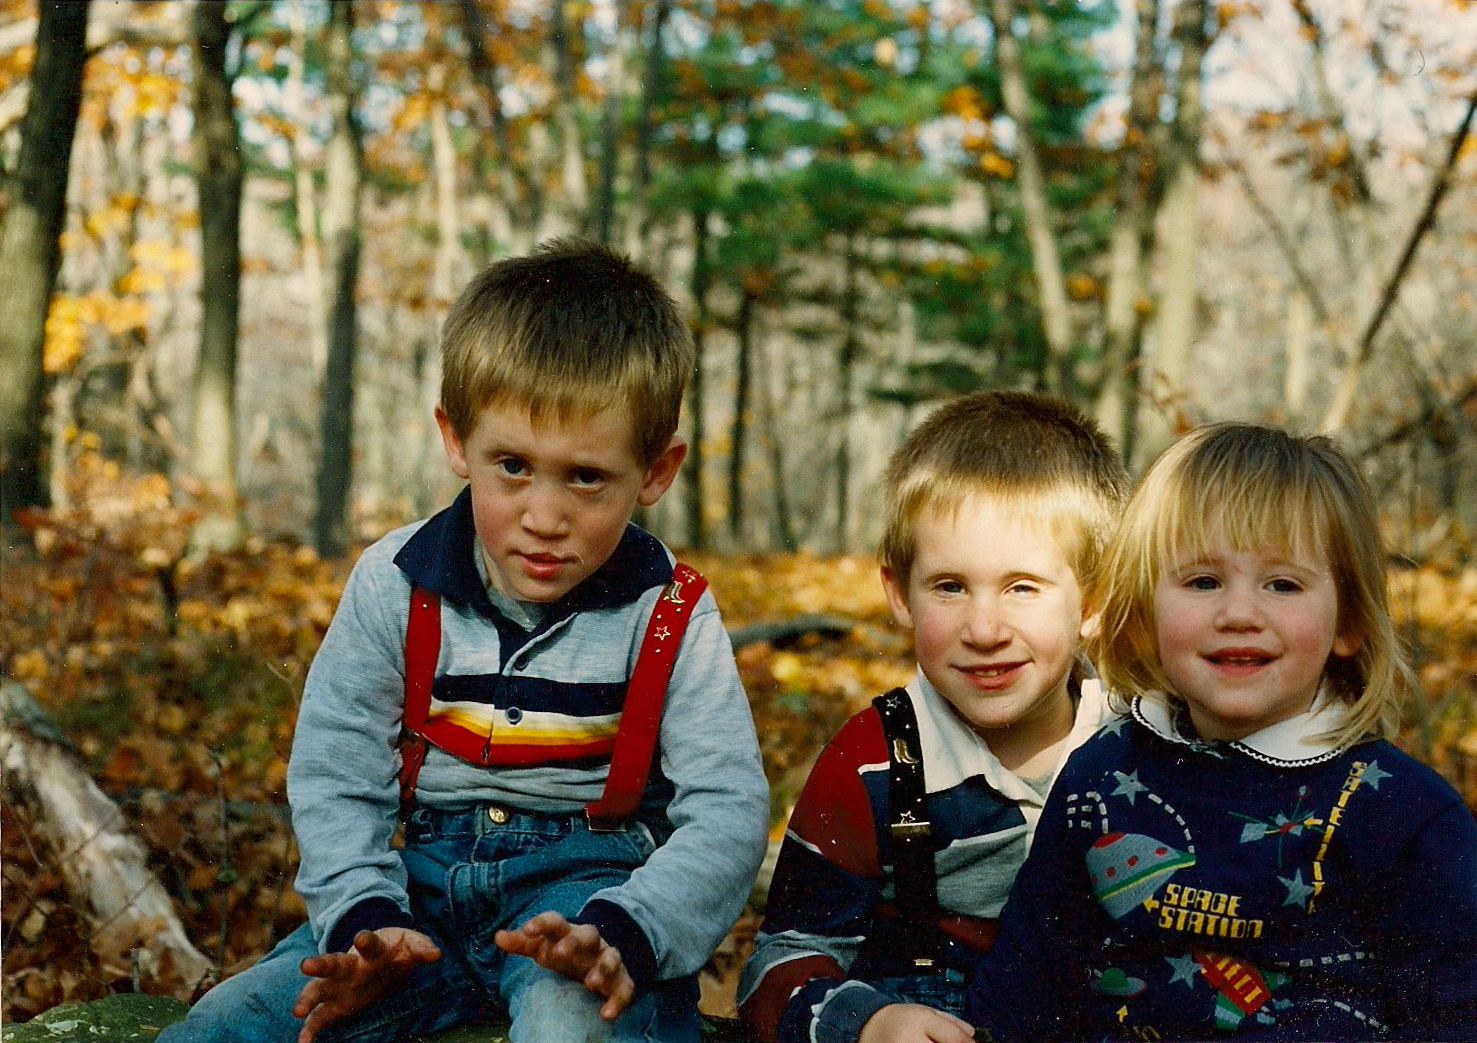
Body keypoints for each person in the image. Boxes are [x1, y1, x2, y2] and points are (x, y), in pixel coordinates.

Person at [160, 238, 770, 1043]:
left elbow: (727, 809)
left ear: (655, 470)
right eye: (512, 465)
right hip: (415, 903)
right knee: (228, 1022)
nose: (543, 515)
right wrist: (363, 918)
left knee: (565, 1026)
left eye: (585, 476)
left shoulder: (669, 611)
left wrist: (629, 929)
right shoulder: (397, 581)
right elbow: (336, 769)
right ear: (456, 441)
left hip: (585, 912)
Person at [967, 422, 1477, 1041]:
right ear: (1144, 614)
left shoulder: (1406, 815)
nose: (1239, 614)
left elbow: (1451, 1017)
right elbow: (1025, 984)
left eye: (1282, 584)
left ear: (1348, 620)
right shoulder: (1101, 774)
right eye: (1203, 581)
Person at [737, 391, 1131, 1043]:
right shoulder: (873, 760)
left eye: (1021, 587)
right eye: (949, 585)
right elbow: (777, 963)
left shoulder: (1140, 748)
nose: (983, 629)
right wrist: (867, 1022)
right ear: (899, 593)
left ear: (1092, 598)